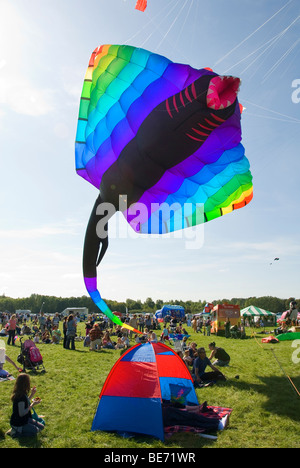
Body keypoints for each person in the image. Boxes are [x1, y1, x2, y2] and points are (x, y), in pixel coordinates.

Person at [9, 373, 45, 438]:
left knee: (41, 427)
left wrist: (32, 394)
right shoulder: (20, 397)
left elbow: (25, 401)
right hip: (19, 422)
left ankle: (16, 429)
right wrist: (32, 405)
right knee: (36, 431)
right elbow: (22, 413)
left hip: (25, 419)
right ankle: (15, 432)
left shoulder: (22, 393)